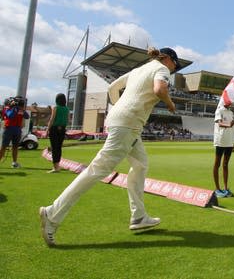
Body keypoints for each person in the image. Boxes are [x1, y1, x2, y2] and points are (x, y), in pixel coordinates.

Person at [39, 47, 181, 246]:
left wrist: (121, 108)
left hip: (123, 122)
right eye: (175, 65)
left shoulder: (138, 70)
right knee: (97, 170)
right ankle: (52, 214)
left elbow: (112, 88)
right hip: (127, 125)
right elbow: (160, 90)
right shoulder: (162, 70)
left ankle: (138, 216)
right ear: (167, 59)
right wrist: (170, 103)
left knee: (140, 164)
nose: (174, 70)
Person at [212, 97, 234, 198]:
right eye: (228, 100)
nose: (230, 102)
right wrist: (229, 125)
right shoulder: (219, 110)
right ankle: (217, 189)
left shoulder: (230, 113)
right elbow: (219, 123)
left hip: (229, 141)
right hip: (220, 140)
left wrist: (233, 143)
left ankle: (226, 189)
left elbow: (232, 129)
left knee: (226, 164)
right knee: (217, 164)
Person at [1, 96, 29, 168]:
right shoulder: (7, 109)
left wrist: (20, 109)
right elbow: (10, 116)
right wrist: (14, 108)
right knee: (3, 147)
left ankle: (14, 162)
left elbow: (27, 116)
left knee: (15, 147)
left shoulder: (19, 109)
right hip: (8, 129)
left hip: (17, 129)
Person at [46, 93, 70, 173]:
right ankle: (57, 165)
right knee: (59, 147)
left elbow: (52, 119)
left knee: (54, 147)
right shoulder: (67, 109)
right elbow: (68, 120)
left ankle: (55, 167)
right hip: (62, 129)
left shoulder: (55, 108)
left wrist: (47, 130)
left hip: (54, 129)